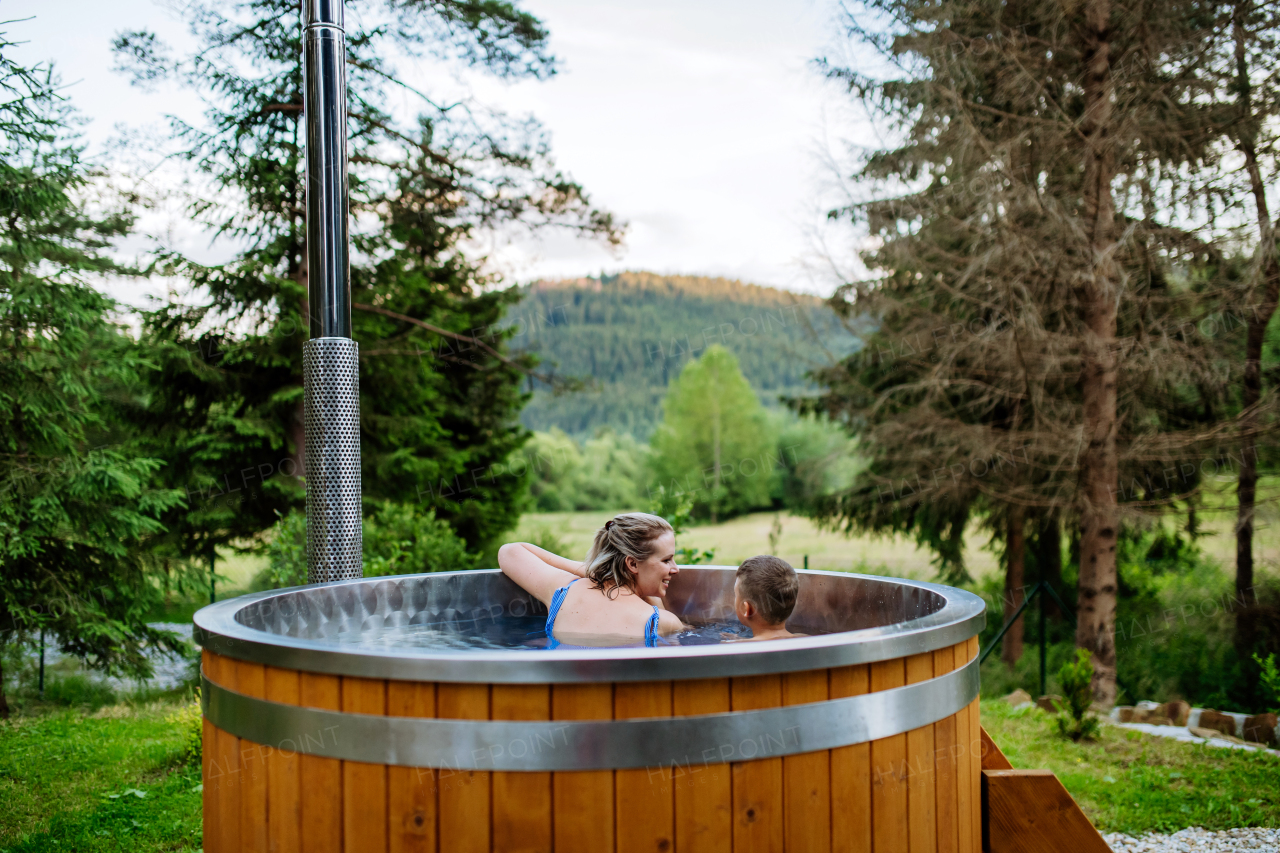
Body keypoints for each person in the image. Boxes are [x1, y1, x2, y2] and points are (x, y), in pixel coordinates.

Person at [498, 512, 686, 646]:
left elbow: (509, 552)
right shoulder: (659, 622)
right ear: (633, 564)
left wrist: (593, 571)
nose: (675, 569)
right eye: (666, 560)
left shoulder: (564, 591)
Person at [732, 555, 804, 641]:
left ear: (746, 609)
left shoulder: (735, 647)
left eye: (735, 595)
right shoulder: (805, 639)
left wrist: (737, 641)